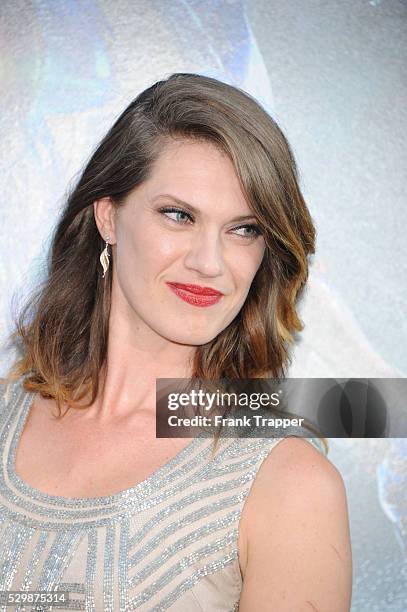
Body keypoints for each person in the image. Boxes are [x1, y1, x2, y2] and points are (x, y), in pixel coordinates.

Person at [0, 73, 352, 611]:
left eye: (244, 229)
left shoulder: (291, 486)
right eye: (179, 215)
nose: (209, 262)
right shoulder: (6, 413)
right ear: (108, 215)